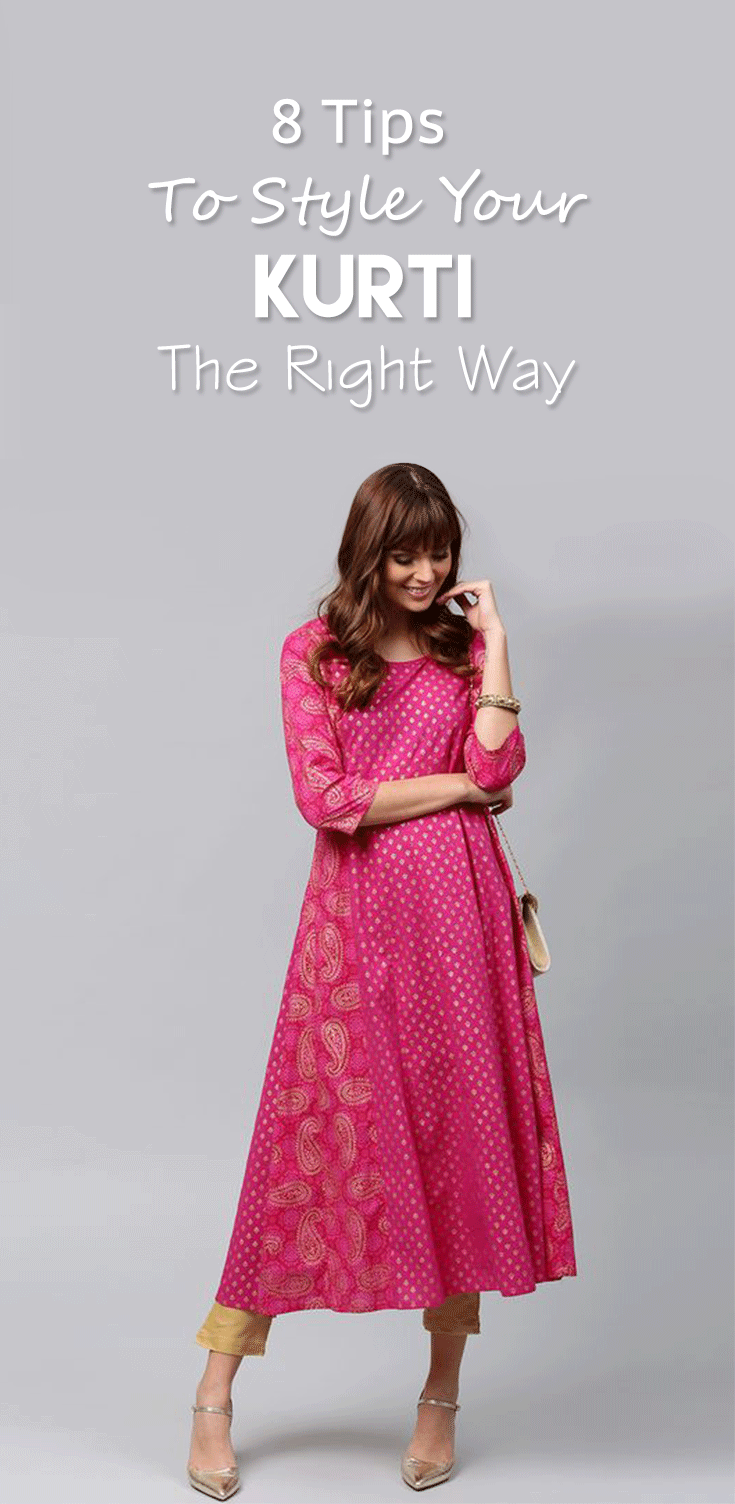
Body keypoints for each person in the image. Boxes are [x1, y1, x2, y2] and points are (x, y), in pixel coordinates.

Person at [187, 462, 577, 1497]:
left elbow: (500, 766)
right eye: (404, 553)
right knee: (302, 1144)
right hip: (355, 924)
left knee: (459, 1142)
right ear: (368, 551)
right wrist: (458, 786)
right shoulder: (314, 652)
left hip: (464, 917)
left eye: (438, 552)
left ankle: (439, 1395)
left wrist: (497, 641)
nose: (424, 572)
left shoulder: (461, 648)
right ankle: (214, 1396)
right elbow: (327, 798)